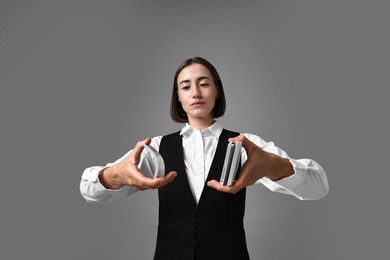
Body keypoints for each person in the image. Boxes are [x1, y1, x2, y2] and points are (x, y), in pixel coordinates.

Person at [80, 57, 329, 260]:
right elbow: (88, 190)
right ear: (178, 96)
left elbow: (318, 186)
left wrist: (272, 165)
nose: (196, 92)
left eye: (204, 83)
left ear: (217, 90)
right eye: (186, 86)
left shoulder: (245, 146)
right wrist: (114, 175)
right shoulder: (155, 148)